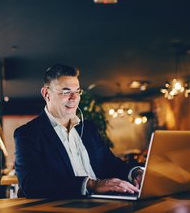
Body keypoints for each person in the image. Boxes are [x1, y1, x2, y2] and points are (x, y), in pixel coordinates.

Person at [14, 64, 143, 198]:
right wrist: (90, 185)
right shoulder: (27, 134)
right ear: (46, 94)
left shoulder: (88, 128)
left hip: (104, 205)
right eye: (66, 92)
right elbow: (31, 184)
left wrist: (135, 172)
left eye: (77, 91)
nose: (74, 98)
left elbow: (109, 163)